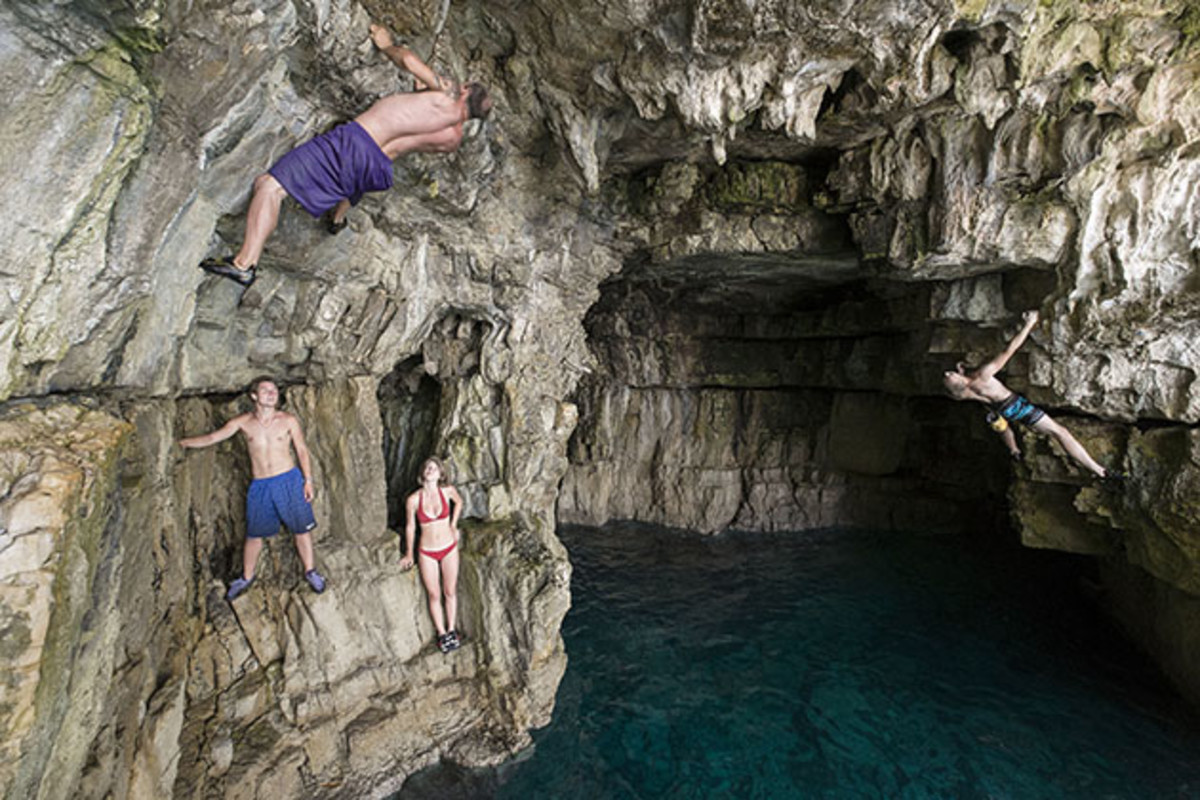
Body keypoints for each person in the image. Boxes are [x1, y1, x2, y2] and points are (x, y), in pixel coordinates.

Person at [199, 23, 493, 287]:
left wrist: (386, 44)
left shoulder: (444, 94)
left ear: (465, 90)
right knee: (356, 177)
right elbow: (411, 131)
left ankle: (244, 263)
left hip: (355, 143)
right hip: (377, 167)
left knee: (269, 186)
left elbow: (408, 61)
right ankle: (337, 218)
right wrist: (419, 98)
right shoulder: (452, 140)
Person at [179, 376, 327, 600]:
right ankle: (246, 577)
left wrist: (308, 480)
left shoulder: (287, 420)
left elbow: (302, 451)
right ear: (254, 396)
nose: (272, 393)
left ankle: (311, 572)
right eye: (266, 390)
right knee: (254, 535)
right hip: (261, 485)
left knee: (301, 529)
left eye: (274, 390)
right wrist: (184, 443)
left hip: (288, 480)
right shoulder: (243, 423)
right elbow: (213, 437)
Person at [943, 309, 1122, 481]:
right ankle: (1099, 471)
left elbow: (963, 388)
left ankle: (1014, 449)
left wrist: (961, 373)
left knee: (1004, 426)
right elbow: (1009, 350)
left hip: (1004, 409)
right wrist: (1029, 324)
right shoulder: (982, 376)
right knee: (1061, 433)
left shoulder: (962, 394)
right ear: (961, 382)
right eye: (950, 376)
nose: (947, 373)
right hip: (1016, 407)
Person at [401, 457, 464, 653]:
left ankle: (452, 629)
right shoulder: (413, 499)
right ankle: (442, 633)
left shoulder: (447, 491)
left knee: (450, 591)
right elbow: (410, 527)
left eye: (434, 468)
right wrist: (409, 553)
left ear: (440, 474)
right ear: (423, 473)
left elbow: (459, 502)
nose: (430, 470)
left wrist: (453, 525)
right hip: (427, 551)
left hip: (449, 548)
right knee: (434, 594)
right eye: (427, 467)